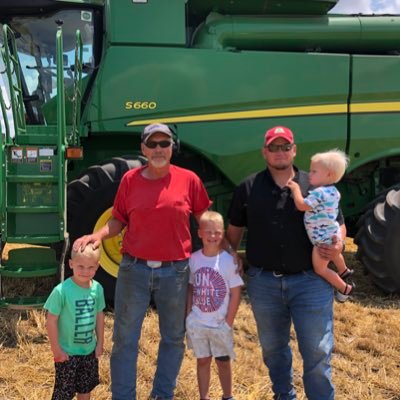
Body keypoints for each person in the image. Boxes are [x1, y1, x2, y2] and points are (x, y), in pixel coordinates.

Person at [73, 122, 212, 400]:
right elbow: (118, 219)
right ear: (143, 148)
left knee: (173, 338)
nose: (158, 149)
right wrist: (98, 234)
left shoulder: (189, 180)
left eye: (164, 143)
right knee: (125, 340)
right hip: (133, 270)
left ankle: (162, 394)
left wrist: (218, 252)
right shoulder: (130, 180)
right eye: (152, 144)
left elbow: (203, 218)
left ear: (173, 147)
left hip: (175, 271)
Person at [226, 126, 345, 400]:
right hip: (264, 283)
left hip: (310, 281)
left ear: (294, 150)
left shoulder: (315, 185)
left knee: (316, 350)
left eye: (285, 146)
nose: (279, 152)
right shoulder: (248, 187)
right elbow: (234, 231)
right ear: (264, 152)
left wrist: (338, 242)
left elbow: (339, 224)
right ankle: (284, 395)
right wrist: (227, 262)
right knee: (273, 349)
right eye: (273, 147)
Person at [186, 211, 243, 400]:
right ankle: (204, 396)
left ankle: (227, 395)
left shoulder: (228, 261)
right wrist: (188, 316)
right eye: (208, 232)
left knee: (223, 362)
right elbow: (191, 288)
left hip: (220, 323)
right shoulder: (193, 259)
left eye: (217, 232)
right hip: (198, 322)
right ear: (199, 233)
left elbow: (236, 293)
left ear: (223, 233)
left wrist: (228, 322)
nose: (213, 236)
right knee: (202, 361)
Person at [287, 149, 354, 302]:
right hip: (332, 233)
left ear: (329, 174)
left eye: (314, 171)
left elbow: (302, 205)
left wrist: (296, 189)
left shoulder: (319, 193)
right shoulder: (334, 192)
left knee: (320, 269)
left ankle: (345, 288)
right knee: (335, 253)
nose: (309, 174)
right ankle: (344, 270)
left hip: (321, 240)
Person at [44, 243, 105, 400]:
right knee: (63, 393)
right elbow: (51, 321)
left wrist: (100, 343)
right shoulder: (61, 291)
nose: (85, 271)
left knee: (85, 389)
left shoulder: (97, 289)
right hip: (67, 353)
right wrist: (56, 350)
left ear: (97, 266)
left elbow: (99, 315)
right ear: (71, 264)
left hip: (89, 351)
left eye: (91, 267)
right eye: (80, 266)